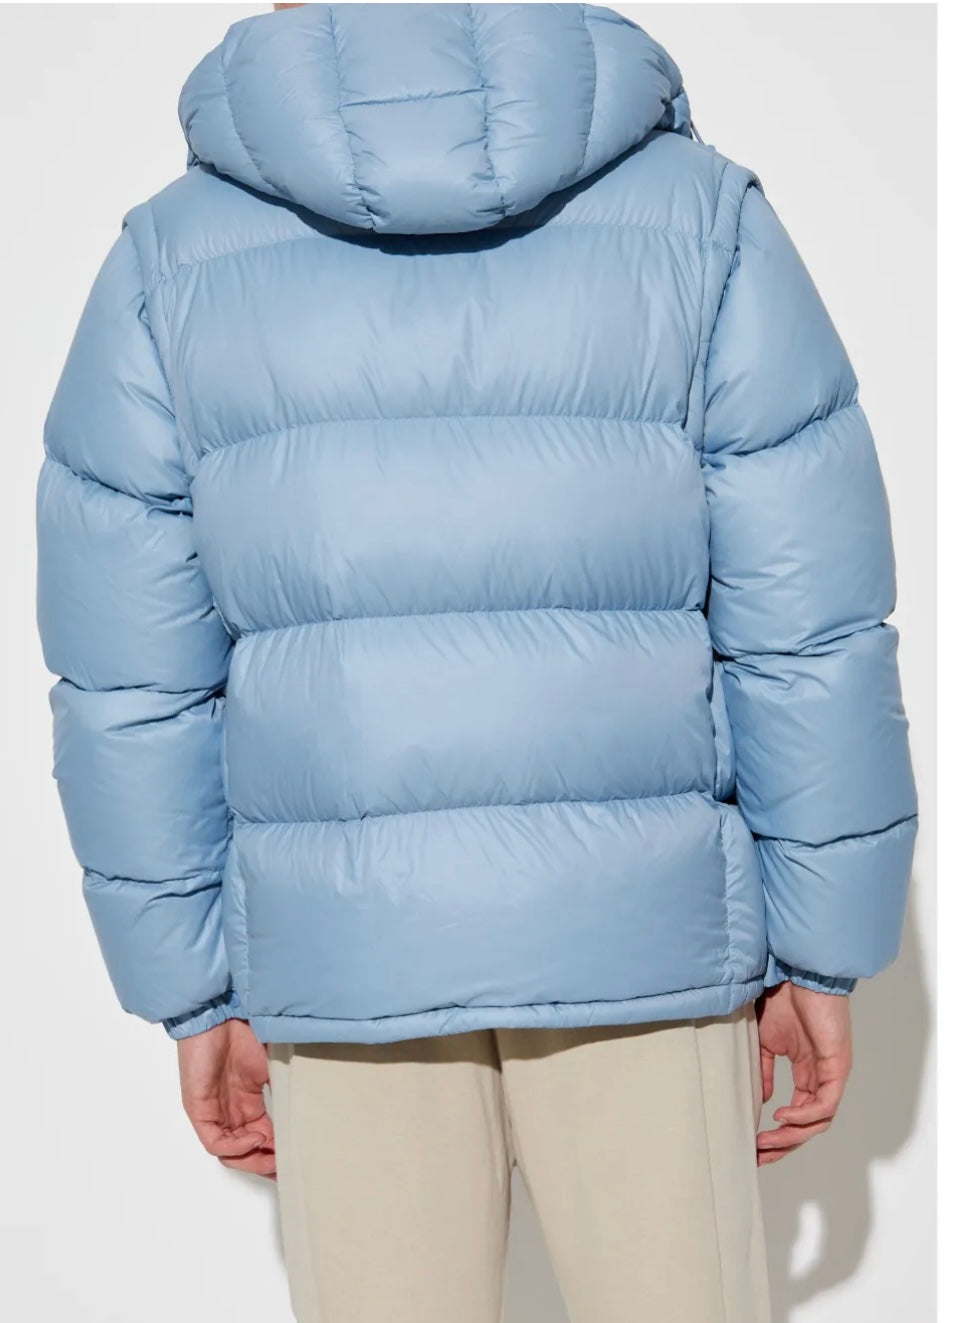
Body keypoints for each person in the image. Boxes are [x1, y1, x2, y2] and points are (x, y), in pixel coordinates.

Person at [36, 4, 917, 1321]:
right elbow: (810, 631)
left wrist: (191, 985)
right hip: (649, 932)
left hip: (346, 950)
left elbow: (131, 686)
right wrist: (822, 946)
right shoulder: (701, 218)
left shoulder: (171, 259)